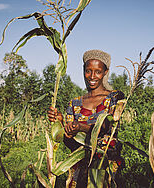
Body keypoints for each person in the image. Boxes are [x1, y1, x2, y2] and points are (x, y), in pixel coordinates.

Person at [48, 49, 124, 187]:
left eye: (98, 71)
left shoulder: (115, 97)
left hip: (104, 169)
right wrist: (59, 122)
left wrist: (81, 127)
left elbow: (106, 127)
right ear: (84, 71)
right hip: (79, 172)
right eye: (88, 71)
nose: (92, 76)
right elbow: (70, 143)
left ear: (105, 72)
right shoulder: (75, 103)